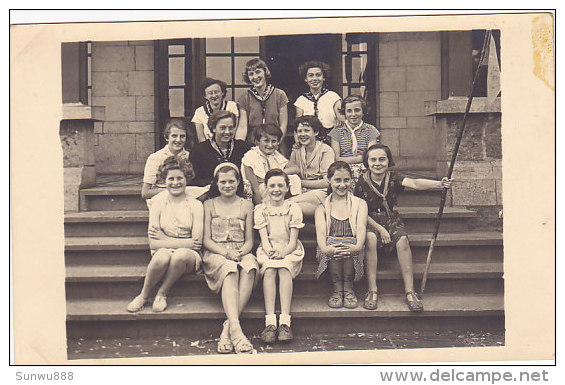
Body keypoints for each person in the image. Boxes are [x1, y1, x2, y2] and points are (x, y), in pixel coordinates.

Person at [355, 144, 453, 312]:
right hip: (369, 220)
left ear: (388, 161)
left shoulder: (393, 177)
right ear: (366, 162)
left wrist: (439, 184)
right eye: (373, 160)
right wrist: (380, 229)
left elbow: (415, 183)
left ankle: (410, 291)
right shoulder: (361, 181)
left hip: (391, 218)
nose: (377, 163)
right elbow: (359, 211)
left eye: (382, 159)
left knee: (402, 241)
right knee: (370, 239)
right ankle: (372, 290)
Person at [127, 157, 203, 313]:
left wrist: (165, 239)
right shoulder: (158, 202)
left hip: (189, 256)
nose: (175, 183)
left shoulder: (196, 204)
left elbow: (196, 243)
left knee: (180, 255)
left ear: (186, 179)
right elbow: (153, 243)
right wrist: (180, 242)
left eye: (180, 178)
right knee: (162, 256)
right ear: (164, 181)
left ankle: (162, 293)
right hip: (164, 250)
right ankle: (143, 295)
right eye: (171, 179)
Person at [202, 163, 257, 354]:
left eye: (231, 181)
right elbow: (206, 240)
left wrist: (240, 253)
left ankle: (229, 329)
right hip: (216, 253)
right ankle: (238, 332)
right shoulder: (208, 205)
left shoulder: (247, 205)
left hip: (241, 250)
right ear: (216, 183)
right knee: (230, 268)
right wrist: (226, 254)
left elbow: (250, 241)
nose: (227, 185)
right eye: (223, 182)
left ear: (238, 182)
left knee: (250, 267)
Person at [254, 169, 304, 343]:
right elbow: (264, 240)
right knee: (268, 270)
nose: (276, 189)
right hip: (268, 250)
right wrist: (271, 252)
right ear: (266, 188)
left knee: (283, 269)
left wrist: (283, 253)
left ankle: (285, 321)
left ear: (287, 187)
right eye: (272, 185)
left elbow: (292, 241)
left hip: (289, 250)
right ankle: (270, 322)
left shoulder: (293, 208)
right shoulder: (260, 210)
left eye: (280, 185)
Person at [315, 161, 368, 309]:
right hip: (329, 249)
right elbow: (320, 233)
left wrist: (357, 246)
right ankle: (337, 289)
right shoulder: (322, 207)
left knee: (347, 245)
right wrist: (326, 249)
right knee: (334, 245)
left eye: (346, 180)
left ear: (352, 180)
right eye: (337, 180)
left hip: (354, 247)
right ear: (329, 180)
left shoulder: (360, 204)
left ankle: (349, 288)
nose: (342, 185)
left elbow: (362, 227)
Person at [285, 115, 335, 217]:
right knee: (294, 208)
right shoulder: (296, 150)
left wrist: (300, 182)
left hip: (320, 192)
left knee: (288, 203)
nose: (302, 134)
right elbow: (292, 172)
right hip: (300, 192)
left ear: (316, 132)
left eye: (307, 131)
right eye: (299, 131)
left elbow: (327, 182)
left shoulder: (326, 150)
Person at [241, 124, 301, 204]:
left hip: (274, 186)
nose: (270, 145)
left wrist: (277, 172)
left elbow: (295, 168)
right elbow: (255, 190)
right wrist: (260, 208)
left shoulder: (274, 154)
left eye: (274, 141)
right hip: (260, 191)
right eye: (266, 141)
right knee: (266, 186)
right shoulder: (250, 157)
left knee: (294, 178)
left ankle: (294, 204)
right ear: (257, 141)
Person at [189, 110, 251, 188]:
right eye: (223, 128)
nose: (227, 132)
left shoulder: (243, 148)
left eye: (231, 128)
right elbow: (192, 180)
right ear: (213, 128)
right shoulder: (199, 150)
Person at [236, 58, 289, 149]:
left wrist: (276, 143)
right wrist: (238, 147)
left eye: (258, 72)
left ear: (265, 72)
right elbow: (242, 127)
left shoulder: (279, 94)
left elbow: (283, 125)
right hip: (253, 142)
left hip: (275, 141)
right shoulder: (244, 98)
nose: (255, 77)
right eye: (251, 74)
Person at [328, 95, 380, 182]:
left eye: (357, 110)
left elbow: (371, 156)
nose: (353, 114)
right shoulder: (336, 131)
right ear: (344, 113)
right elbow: (336, 158)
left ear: (363, 111)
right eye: (349, 111)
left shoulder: (371, 130)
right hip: (343, 170)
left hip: (366, 171)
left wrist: (363, 160)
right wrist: (360, 158)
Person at [294, 60, 344, 144]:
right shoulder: (301, 100)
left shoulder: (333, 97)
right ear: (306, 79)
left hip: (331, 141)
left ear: (323, 78)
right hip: (309, 142)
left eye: (318, 75)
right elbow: (297, 127)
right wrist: (298, 143)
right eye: (311, 75)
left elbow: (343, 122)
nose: (315, 79)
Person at [141, 119, 191, 199]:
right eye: (174, 136)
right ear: (166, 137)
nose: (178, 140)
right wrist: (173, 191)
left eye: (182, 136)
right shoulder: (155, 158)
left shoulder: (190, 156)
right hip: (162, 200)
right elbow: (145, 192)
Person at [192, 77, 245, 143]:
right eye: (210, 93)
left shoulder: (232, 106)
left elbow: (234, 130)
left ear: (222, 92)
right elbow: (201, 139)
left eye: (216, 92)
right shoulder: (199, 112)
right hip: (208, 148)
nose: (214, 96)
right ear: (205, 96)